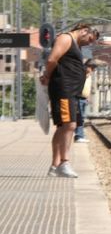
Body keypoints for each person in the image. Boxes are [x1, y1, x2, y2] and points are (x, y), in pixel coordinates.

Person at [40, 23, 99, 178]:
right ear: (84, 31)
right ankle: (64, 163)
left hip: (69, 91)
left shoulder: (74, 44)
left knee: (62, 127)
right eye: (90, 39)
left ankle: (55, 166)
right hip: (64, 90)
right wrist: (47, 75)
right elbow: (52, 59)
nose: (89, 43)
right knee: (70, 125)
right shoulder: (66, 38)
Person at [74, 59, 97, 143]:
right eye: (92, 68)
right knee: (80, 118)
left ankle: (80, 134)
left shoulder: (88, 75)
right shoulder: (81, 74)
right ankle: (79, 136)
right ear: (87, 66)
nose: (93, 70)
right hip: (79, 98)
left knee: (81, 118)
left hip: (84, 99)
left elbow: (88, 87)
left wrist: (88, 97)